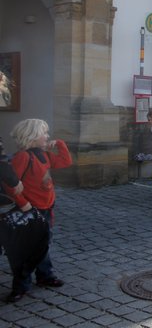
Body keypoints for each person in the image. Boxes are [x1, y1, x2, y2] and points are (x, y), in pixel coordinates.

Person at [9, 119, 72, 297]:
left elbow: (65, 162)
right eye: (44, 133)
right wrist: (23, 203)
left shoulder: (43, 154)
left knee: (43, 244)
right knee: (27, 249)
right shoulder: (23, 156)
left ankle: (45, 275)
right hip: (30, 210)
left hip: (46, 207)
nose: (47, 136)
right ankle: (21, 285)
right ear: (32, 136)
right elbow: (10, 184)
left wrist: (59, 144)